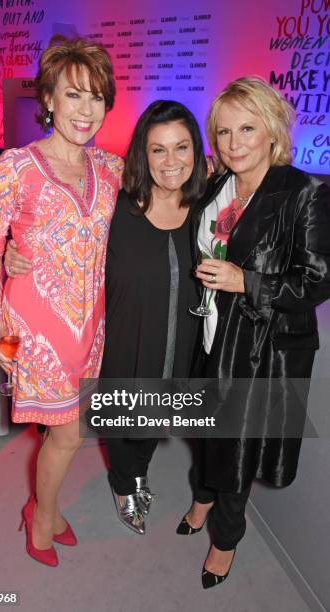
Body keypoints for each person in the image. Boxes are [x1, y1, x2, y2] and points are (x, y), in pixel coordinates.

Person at [5, 100, 207, 534]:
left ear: (196, 152)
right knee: (126, 420)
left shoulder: (208, 209)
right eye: (158, 150)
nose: (171, 161)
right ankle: (124, 480)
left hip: (183, 342)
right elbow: (57, 236)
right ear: (142, 154)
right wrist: (15, 251)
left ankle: (137, 470)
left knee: (157, 417)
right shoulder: (116, 209)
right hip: (122, 340)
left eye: (181, 147)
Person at [176, 76, 330, 589]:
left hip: (261, 347)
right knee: (204, 428)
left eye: (247, 128)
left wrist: (246, 281)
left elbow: (318, 280)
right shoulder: (217, 186)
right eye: (223, 132)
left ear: (272, 132)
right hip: (211, 332)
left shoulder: (303, 192)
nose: (234, 142)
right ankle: (201, 497)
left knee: (236, 447)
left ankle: (225, 539)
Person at [0, 35, 123, 567]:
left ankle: (43, 506)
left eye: (97, 97)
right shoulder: (16, 166)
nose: (86, 110)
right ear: (49, 100)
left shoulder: (110, 170)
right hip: (35, 321)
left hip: (92, 322)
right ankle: (41, 518)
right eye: (73, 95)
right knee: (67, 431)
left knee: (71, 427)